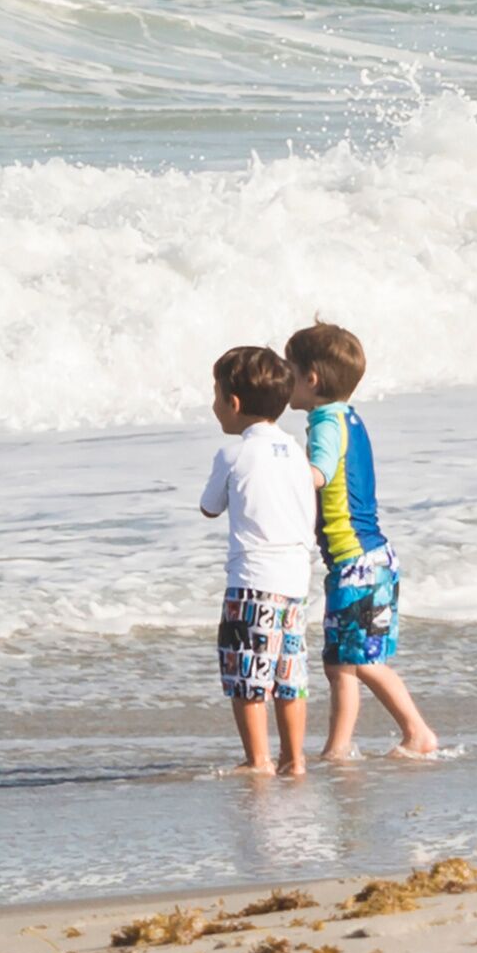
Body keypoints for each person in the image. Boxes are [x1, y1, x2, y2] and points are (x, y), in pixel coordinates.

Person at [286, 320, 441, 761]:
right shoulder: (345, 417)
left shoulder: (326, 423)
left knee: (364, 660)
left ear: (310, 379)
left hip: (359, 561)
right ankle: (338, 748)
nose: (284, 381)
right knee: (340, 661)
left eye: (288, 371)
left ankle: (419, 733)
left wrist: (280, 469)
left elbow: (317, 474)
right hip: (360, 561)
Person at [197, 343, 317, 776]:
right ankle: (294, 758)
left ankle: (258, 760)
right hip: (294, 582)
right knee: (288, 673)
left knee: (246, 671)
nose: (214, 407)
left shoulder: (233, 453)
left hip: (252, 579)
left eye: (216, 397)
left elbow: (210, 506)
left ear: (232, 403)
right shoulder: (296, 453)